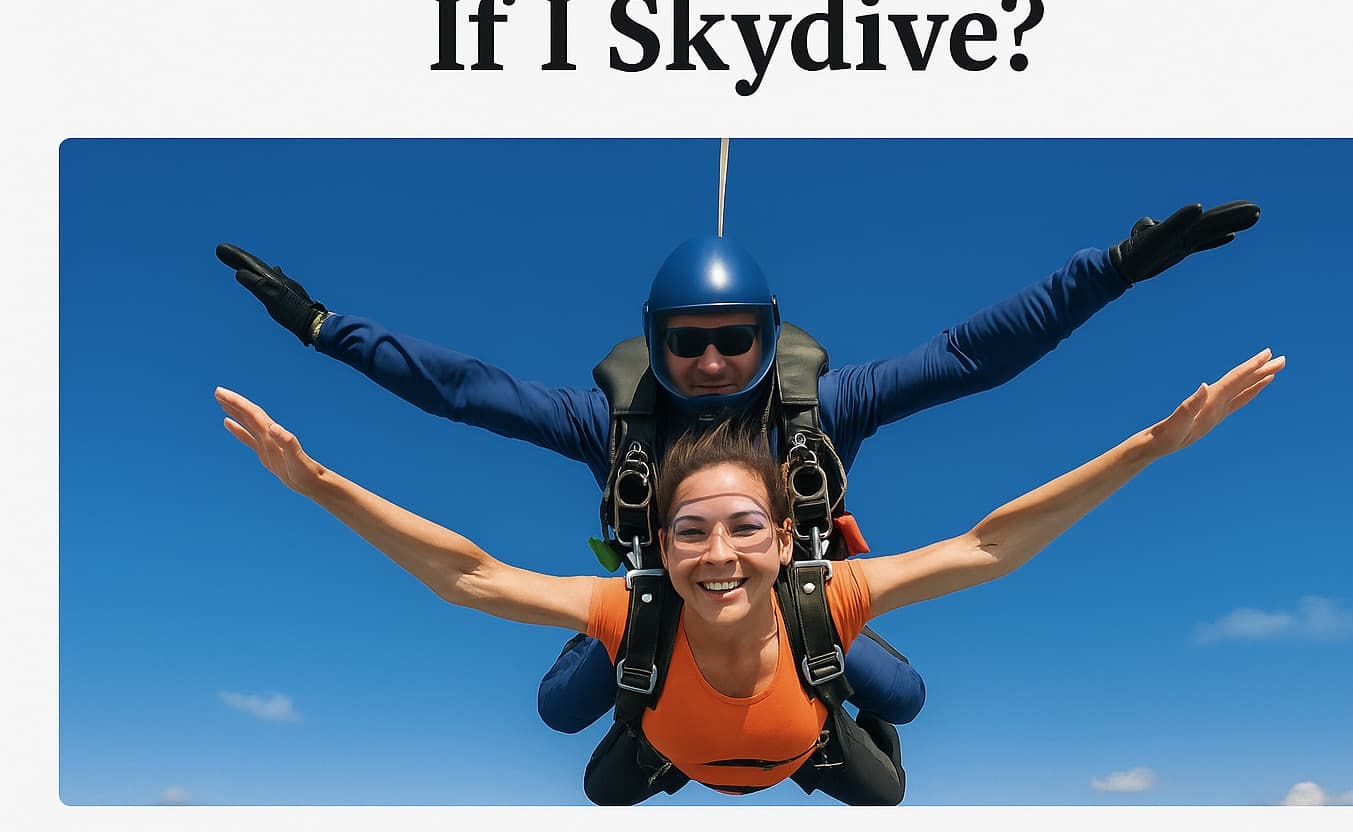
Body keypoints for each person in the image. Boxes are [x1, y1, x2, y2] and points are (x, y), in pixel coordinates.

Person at [215, 199, 1260, 735]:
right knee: (560, 712)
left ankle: (809, 722)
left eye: (732, 339)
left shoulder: (829, 406)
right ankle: (668, 721)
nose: (710, 361)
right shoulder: (606, 423)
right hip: (657, 602)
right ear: (654, 340)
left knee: (899, 699)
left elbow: (972, 357)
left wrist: (1113, 269)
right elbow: (461, 390)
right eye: (687, 342)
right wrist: (321, 327)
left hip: (797, 600)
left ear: (768, 334)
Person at [214, 348, 1284, 804]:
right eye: (688, 534)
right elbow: (468, 572)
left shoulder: (832, 593)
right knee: (599, 784)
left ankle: (827, 732)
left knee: (887, 782)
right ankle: (655, 744)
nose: (716, 554)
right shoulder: (627, 603)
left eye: (740, 528)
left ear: (784, 539)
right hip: (676, 736)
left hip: (802, 740)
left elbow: (991, 542)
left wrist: (1151, 443)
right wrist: (318, 484)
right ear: (660, 548)